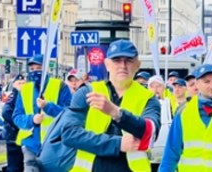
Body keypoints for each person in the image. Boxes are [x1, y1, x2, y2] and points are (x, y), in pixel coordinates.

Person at [38, 39, 161, 171]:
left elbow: (150, 132)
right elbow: (69, 134)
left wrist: (116, 113)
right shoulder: (87, 91)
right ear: (107, 64)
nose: (123, 65)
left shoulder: (148, 98)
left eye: (129, 60)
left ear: (138, 65)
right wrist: (117, 144)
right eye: (117, 60)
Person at [12, 54, 70, 171]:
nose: (35, 72)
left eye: (38, 68)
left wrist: (47, 107)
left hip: (54, 144)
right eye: (32, 69)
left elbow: (69, 113)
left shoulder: (59, 86)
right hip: (31, 145)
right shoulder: (25, 89)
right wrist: (32, 119)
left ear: (46, 68)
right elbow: (17, 117)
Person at [2, 74, 26, 172]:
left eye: (23, 83)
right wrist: (19, 124)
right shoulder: (14, 96)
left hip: (25, 138)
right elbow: (6, 112)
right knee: (14, 167)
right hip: (13, 137)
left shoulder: (29, 95)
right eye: (19, 83)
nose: (21, 85)